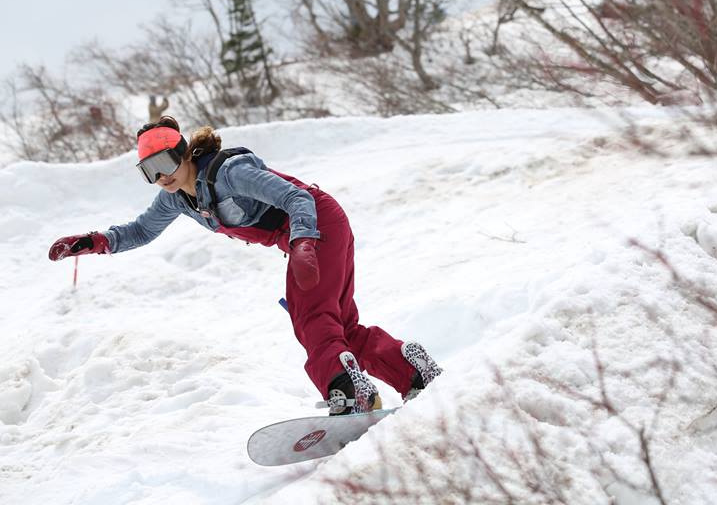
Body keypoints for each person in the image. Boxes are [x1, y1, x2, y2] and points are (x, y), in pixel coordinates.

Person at [48, 116, 442, 414]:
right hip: (306, 235)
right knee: (340, 325)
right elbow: (140, 231)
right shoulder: (177, 198)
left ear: (184, 152)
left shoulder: (230, 173)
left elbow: (298, 199)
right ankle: (411, 369)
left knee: (312, 317)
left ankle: (349, 392)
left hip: (315, 224)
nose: (162, 176)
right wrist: (94, 242)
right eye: (149, 171)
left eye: (166, 161)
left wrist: (304, 242)